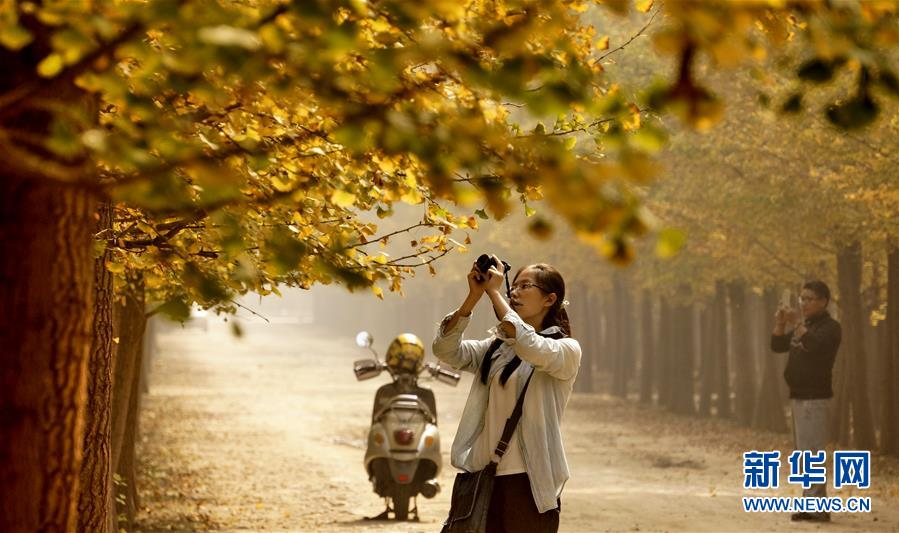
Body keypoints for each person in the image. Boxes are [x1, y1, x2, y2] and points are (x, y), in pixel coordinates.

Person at [433, 256, 581, 533]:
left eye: (525, 286)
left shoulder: (565, 350)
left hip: (528, 480)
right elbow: (446, 350)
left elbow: (528, 344)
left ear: (549, 299)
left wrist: (494, 293)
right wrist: (473, 297)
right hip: (483, 475)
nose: (514, 292)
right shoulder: (497, 347)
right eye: (514, 286)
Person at [770, 280, 841, 523]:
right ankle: (809, 502)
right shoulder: (806, 325)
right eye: (802, 298)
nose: (804, 303)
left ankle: (819, 507)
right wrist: (780, 323)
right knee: (803, 455)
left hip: (816, 397)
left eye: (810, 298)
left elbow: (815, 346)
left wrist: (797, 324)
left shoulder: (830, 327)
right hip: (798, 395)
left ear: (823, 301)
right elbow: (777, 345)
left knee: (812, 453)